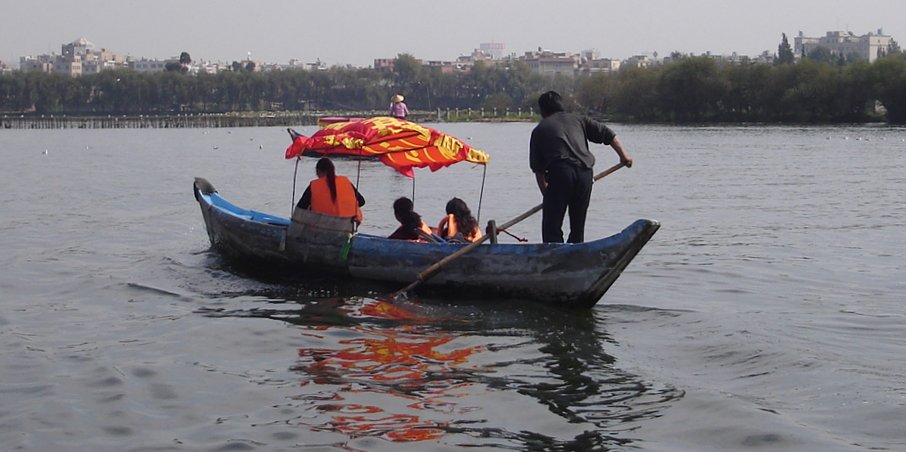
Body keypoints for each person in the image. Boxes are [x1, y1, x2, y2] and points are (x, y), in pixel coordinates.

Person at [529, 90, 633, 243]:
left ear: (543, 111)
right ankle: (577, 252)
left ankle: (554, 256)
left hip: (561, 173)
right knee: (578, 224)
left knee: (552, 225)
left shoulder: (539, 130)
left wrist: (548, 197)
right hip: (585, 173)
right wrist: (624, 156)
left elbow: (539, 172)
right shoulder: (578, 120)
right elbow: (609, 135)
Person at [296, 157, 365, 224]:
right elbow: (362, 201)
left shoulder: (314, 185)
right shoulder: (345, 182)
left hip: (320, 227)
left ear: (318, 171)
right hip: (346, 228)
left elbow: (300, 208)